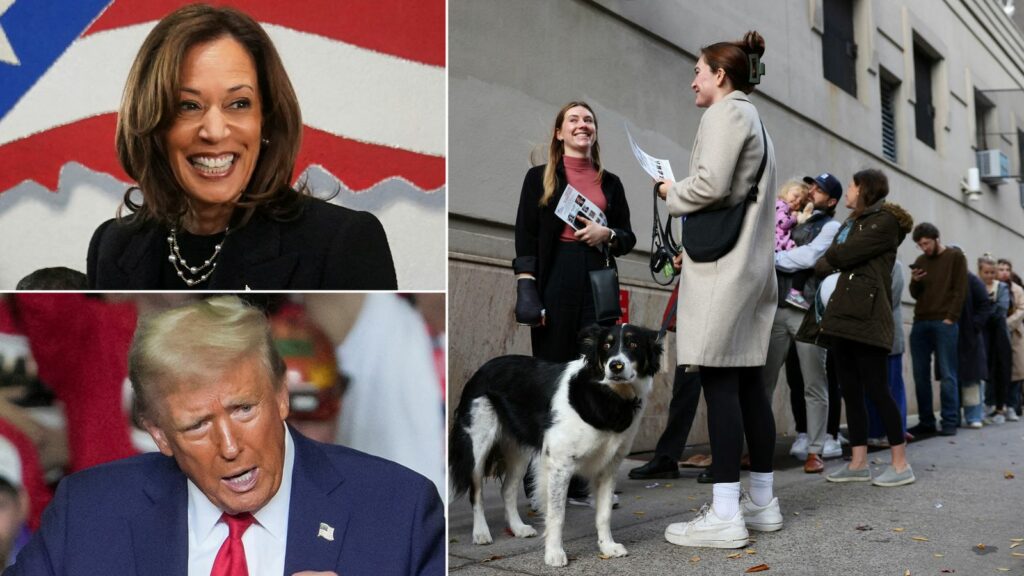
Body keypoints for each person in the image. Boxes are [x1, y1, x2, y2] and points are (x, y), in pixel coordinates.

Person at [6, 296, 444, 575]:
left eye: (244, 409)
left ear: (280, 396)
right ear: (159, 434)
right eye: (197, 425)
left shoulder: (399, 512)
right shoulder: (89, 515)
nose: (231, 447)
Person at [87, 5, 396, 290]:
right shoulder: (113, 246)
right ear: (153, 123)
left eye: (238, 103)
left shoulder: (342, 243)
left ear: (266, 120)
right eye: (189, 106)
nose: (214, 131)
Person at [655, 31, 780, 549]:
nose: (693, 82)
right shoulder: (756, 119)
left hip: (724, 272)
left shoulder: (727, 113)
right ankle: (762, 501)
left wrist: (669, 191)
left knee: (719, 382)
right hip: (747, 266)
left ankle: (726, 512)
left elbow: (709, 185)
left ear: (721, 75)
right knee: (748, 385)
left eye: (699, 72)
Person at [513, 101, 636, 504]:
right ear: (559, 133)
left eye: (589, 120)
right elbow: (525, 235)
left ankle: (587, 481)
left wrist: (608, 234)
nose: (583, 125)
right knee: (550, 376)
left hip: (596, 279)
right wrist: (527, 287)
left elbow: (629, 237)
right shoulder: (540, 178)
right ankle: (543, 480)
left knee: (593, 377)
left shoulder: (610, 182)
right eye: (574, 120)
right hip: (555, 278)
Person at [798, 169, 915, 487]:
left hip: (868, 315)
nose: (848, 190)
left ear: (865, 189)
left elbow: (840, 253)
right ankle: (858, 463)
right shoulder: (851, 223)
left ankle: (901, 464)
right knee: (850, 390)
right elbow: (829, 258)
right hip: (841, 315)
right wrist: (833, 258)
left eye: (852, 186)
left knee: (877, 390)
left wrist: (833, 258)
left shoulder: (885, 222)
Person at [763, 172, 843, 474]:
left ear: (831, 200)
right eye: (811, 185)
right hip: (776, 307)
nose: (811, 190)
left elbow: (808, 258)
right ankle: (759, 447)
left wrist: (770, 258)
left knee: (814, 382)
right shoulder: (791, 215)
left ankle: (815, 449)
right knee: (763, 382)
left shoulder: (831, 226)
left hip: (807, 311)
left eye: (819, 189)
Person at [906, 222, 967, 437]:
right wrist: (914, 281)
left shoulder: (955, 257)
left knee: (948, 373)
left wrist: (951, 318)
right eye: (920, 245)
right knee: (920, 374)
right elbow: (915, 294)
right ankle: (926, 422)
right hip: (921, 321)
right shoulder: (921, 261)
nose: (924, 248)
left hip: (944, 322)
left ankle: (950, 420)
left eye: (926, 243)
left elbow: (960, 290)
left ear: (936, 238)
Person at [977, 254, 1012, 424]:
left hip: (999, 334)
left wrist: (984, 312)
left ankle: (1000, 407)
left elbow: (1001, 310)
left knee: (1001, 368)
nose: (990, 275)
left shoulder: (1002, 288)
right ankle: (985, 405)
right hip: (982, 334)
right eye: (987, 272)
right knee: (984, 369)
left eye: (993, 272)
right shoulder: (976, 286)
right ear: (980, 272)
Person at [957, 270, 993, 428]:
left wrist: (974, 326)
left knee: (972, 378)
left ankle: (974, 416)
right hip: (955, 333)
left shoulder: (972, 280)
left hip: (969, 335)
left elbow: (985, 305)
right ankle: (957, 416)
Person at [997, 258, 1024, 420]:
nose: (1004, 272)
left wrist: (1006, 324)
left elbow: (1021, 310)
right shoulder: (991, 286)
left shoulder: (1017, 290)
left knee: (1016, 372)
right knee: (999, 371)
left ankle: (1013, 406)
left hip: (1014, 334)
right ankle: (997, 406)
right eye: (1001, 269)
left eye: (1007, 269)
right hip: (995, 334)